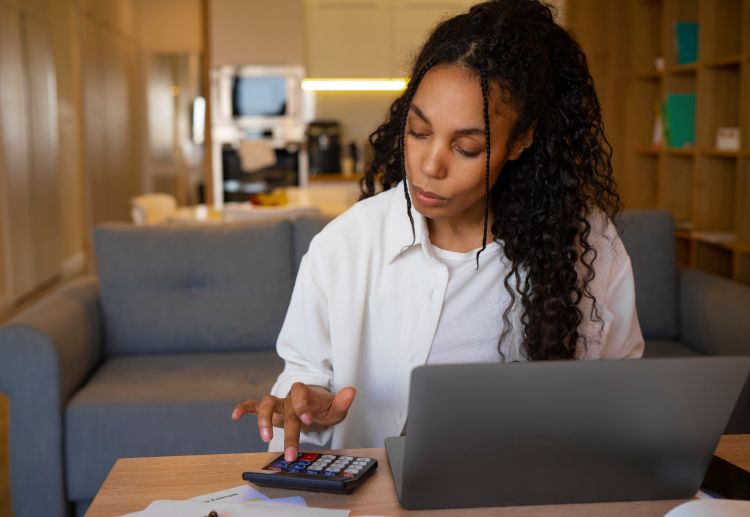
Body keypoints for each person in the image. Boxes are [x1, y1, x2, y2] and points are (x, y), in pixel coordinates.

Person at [232, 0, 644, 462]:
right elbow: (303, 376)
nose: (430, 166)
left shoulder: (584, 242)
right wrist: (306, 404)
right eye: (418, 131)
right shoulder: (345, 244)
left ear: (522, 140)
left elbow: (621, 391)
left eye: (467, 148)